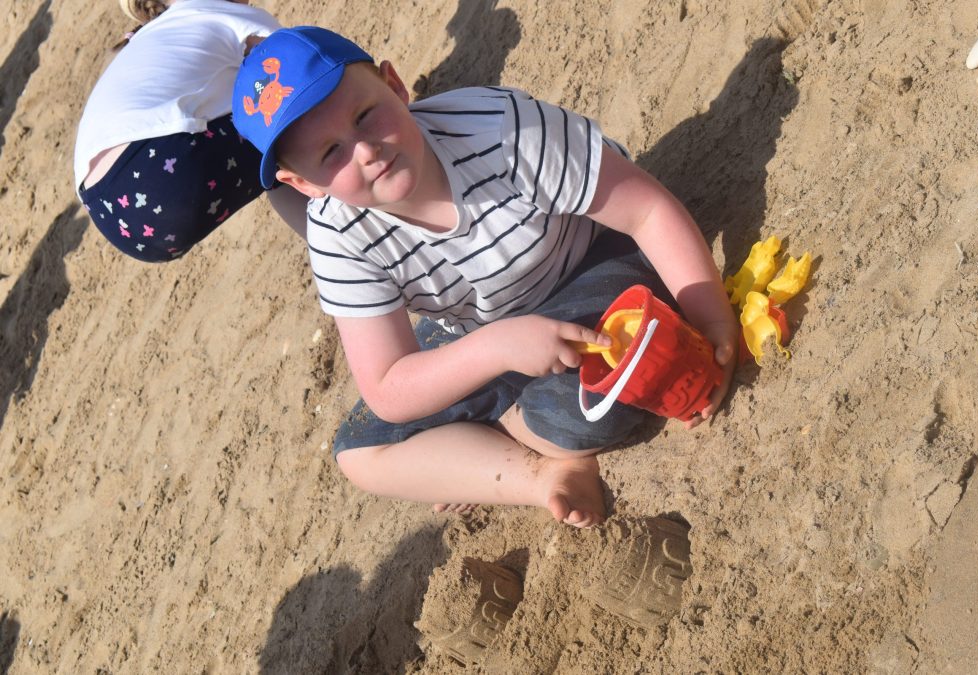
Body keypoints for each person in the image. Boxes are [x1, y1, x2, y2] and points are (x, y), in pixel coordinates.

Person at [231, 26, 739, 527]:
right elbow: (386, 384)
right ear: (303, 184)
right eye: (330, 154)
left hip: (587, 264)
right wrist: (496, 348)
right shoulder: (337, 236)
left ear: (394, 85)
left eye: (365, 116)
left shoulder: (497, 128)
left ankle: (495, 442)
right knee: (360, 453)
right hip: (484, 327)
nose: (365, 151)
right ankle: (539, 477)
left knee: (608, 391)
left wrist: (713, 321)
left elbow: (646, 212)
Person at [73, 0, 307, 263]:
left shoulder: (152, 38)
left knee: (270, 156)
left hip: (111, 219)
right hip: (159, 167)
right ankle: (338, 233)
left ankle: (331, 251)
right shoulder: (212, 9)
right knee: (289, 111)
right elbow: (301, 60)